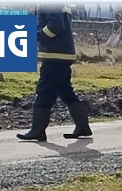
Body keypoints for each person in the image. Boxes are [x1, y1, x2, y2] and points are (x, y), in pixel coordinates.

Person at [17, 5, 92, 142]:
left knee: (44, 91)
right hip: (61, 54)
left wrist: (38, 36)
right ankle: (82, 127)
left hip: (55, 55)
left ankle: (38, 129)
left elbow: (56, 25)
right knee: (66, 92)